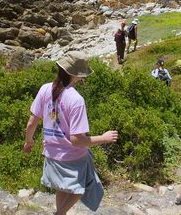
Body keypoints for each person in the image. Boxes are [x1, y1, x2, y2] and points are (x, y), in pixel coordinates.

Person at [23, 51, 118, 215]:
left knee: (62, 187)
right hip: (73, 157)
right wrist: (104, 138)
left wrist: (28, 141)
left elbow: (32, 122)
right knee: (78, 189)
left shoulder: (45, 89)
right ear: (78, 75)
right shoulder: (76, 100)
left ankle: (61, 213)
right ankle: (59, 214)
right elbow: (76, 140)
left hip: (51, 153)